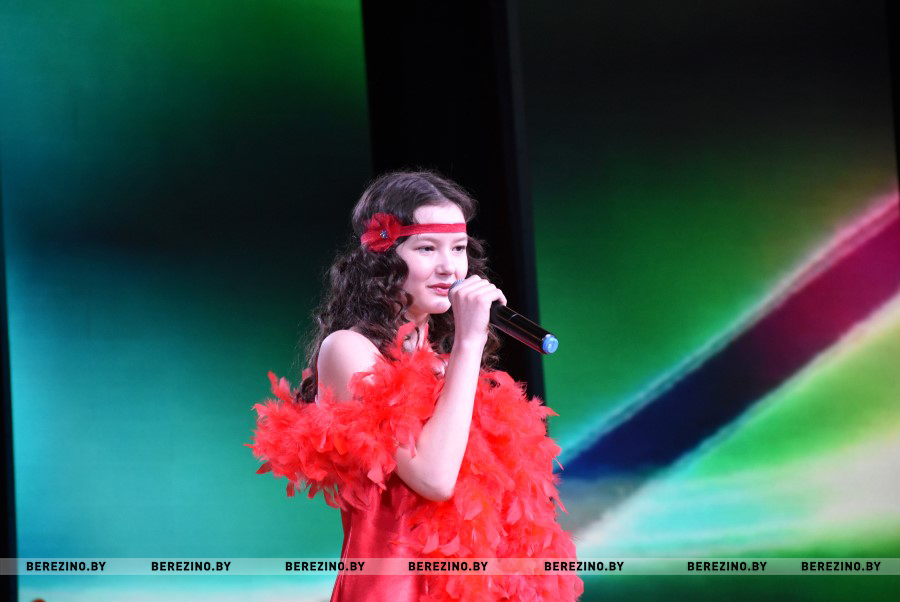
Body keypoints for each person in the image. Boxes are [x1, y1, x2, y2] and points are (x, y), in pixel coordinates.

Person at [249, 170, 583, 601]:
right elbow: (434, 479)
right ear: (383, 258)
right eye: (427, 248)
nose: (449, 266)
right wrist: (469, 344)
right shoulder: (348, 350)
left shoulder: (445, 363)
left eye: (458, 248)